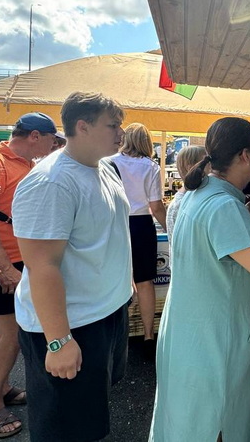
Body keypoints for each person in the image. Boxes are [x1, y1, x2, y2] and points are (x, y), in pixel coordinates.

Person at [150, 117, 250, 442]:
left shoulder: (199, 193)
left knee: (187, 424)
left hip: (191, 335)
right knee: (216, 426)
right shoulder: (223, 206)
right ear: (246, 156)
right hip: (213, 346)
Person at [12, 92, 131, 442]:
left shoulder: (105, 167)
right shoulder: (51, 181)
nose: (120, 132)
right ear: (83, 125)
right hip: (70, 325)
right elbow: (42, 266)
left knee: (88, 419)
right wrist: (58, 341)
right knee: (64, 429)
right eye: (113, 125)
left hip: (105, 313)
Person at [0, 112, 59, 438]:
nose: (53, 146)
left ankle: (2, 387)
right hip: (4, 262)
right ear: (35, 135)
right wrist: (5, 268)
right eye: (51, 139)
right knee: (11, 332)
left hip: (20, 258)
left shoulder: (23, 164)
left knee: (13, 332)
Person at [110, 123, 167, 353]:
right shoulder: (150, 166)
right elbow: (156, 205)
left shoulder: (109, 162)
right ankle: (148, 334)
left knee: (115, 280)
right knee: (145, 282)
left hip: (116, 223)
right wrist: (170, 228)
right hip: (142, 224)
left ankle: (116, 337)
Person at [164, 145, 207, 237]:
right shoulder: (182, 204)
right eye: (206, 163)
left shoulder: (183, 200)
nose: (212, 168)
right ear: (191, 167)